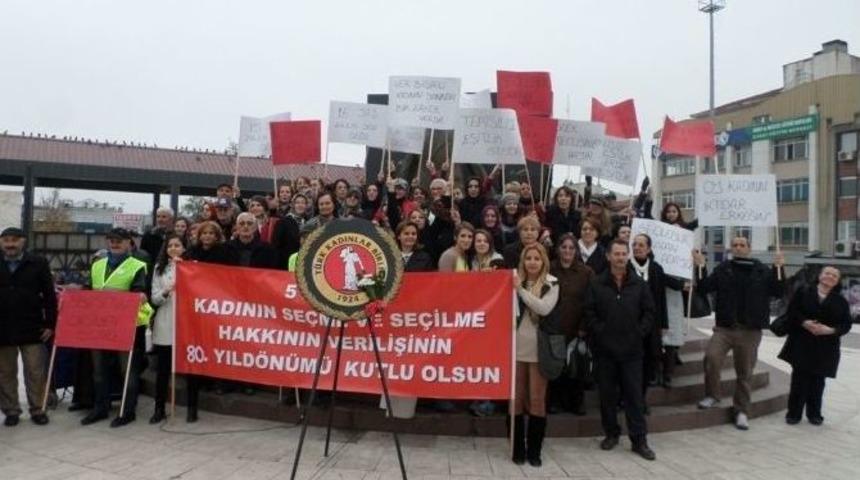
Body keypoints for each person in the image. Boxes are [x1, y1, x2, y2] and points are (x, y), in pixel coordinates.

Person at [694, 236, 785, 431]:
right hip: (725, 328)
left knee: (745, 372)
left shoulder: (762, 270)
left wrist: (779, 268)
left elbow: (779, 291)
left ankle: (741, 410)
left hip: (750, 330)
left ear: (749, 248)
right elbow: (704, 288)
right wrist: (700, 266)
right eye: (734, 245)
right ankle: (712, 395)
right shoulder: (724, 269)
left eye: (742, 245)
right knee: (711, 358)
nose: (738, 248)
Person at [585, 240, 656, 460]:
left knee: (634, 397)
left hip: (632, 352)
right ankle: (611, 434)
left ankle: (639, 440)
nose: (620, 258)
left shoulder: (639, 284)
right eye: (616, 254)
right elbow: (589, 313)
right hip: (605, 351)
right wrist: (601, 332)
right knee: (607, 396)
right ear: (608, 256)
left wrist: (638, 332)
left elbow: (649, 312)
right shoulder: (596, 284)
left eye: (624, 254)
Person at [82, 228, 153, 427]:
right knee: (99, 369)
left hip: (127, 325)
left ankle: (127, 411)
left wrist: (141, 296)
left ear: (129, 243)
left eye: (119, 241)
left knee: (127, 369)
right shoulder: (97, 264)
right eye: (111, 240)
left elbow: (140, 290)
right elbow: (88, 289)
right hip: (100, 325)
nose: (115, 244)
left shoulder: (137, 265)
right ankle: (100, 408)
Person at [778, 266, 852, 426]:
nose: (830, 277)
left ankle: (814, 414)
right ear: (820, 276)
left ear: (837, 281)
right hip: (802, 342)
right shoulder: (803, 292)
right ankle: (793, 414)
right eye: (827, 273)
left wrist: (830, 330)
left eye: (834, 276)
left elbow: (846, 325)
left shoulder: (841, 301)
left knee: (818, 382)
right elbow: (792, 312)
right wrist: (804, 322)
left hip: (826, 347)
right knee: (799, 380)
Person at [0, 227, 57, 427]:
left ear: (23, 242)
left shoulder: (38, 263)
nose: (10, 244)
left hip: (32, 326)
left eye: (14, 240)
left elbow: (49, 295)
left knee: (35, 371)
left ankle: (38, 409)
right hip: (2, 328)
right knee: (5, 372)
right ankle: (11, 410)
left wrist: (50, 323)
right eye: (6, 240)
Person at [511, 244, 558, 467]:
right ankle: (517, 448)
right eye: (528, 258)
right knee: (516, 401)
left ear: (543, 261)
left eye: (536, 258)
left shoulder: (551, 283)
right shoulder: (513, 280)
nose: (532, 262)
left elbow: (543, 308)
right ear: (523, 260)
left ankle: (534, 450)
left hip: (539, 350)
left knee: (537, 401)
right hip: (515, 348)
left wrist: (520, 290)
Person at [629, 234, 684, 411]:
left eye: (641, 245)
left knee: (648, 364)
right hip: (629, 324)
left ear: (649, 249)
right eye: (635, 244)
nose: (637, 248)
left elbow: (661, 299)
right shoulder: (626, 266)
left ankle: (641, 399)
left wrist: (663, 324)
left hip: (651, 325)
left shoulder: (656, 269)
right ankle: (627, 399)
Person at [548, 233, 594, 415]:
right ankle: (555, 402)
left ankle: (577, 402)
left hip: (577, 329)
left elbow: (591, 302)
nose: (567, 251)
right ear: (558, 249)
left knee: (576, 366)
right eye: (564, 247)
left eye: (571, 248)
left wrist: (584, 326)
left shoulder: (586, 272)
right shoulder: (549, 268)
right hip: (554, 327)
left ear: (576, 251)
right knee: (556, 366)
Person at [148, 234, 185, 424]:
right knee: (163, 369)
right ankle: (159, 408)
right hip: (165, 321)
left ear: (183, 248)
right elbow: (154, 298)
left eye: (177, 245)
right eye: (170, 245)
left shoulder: (191, 266)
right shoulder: (158, 269)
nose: (173, 248)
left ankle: (191, 408)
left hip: (185, 322)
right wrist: (165, 291)